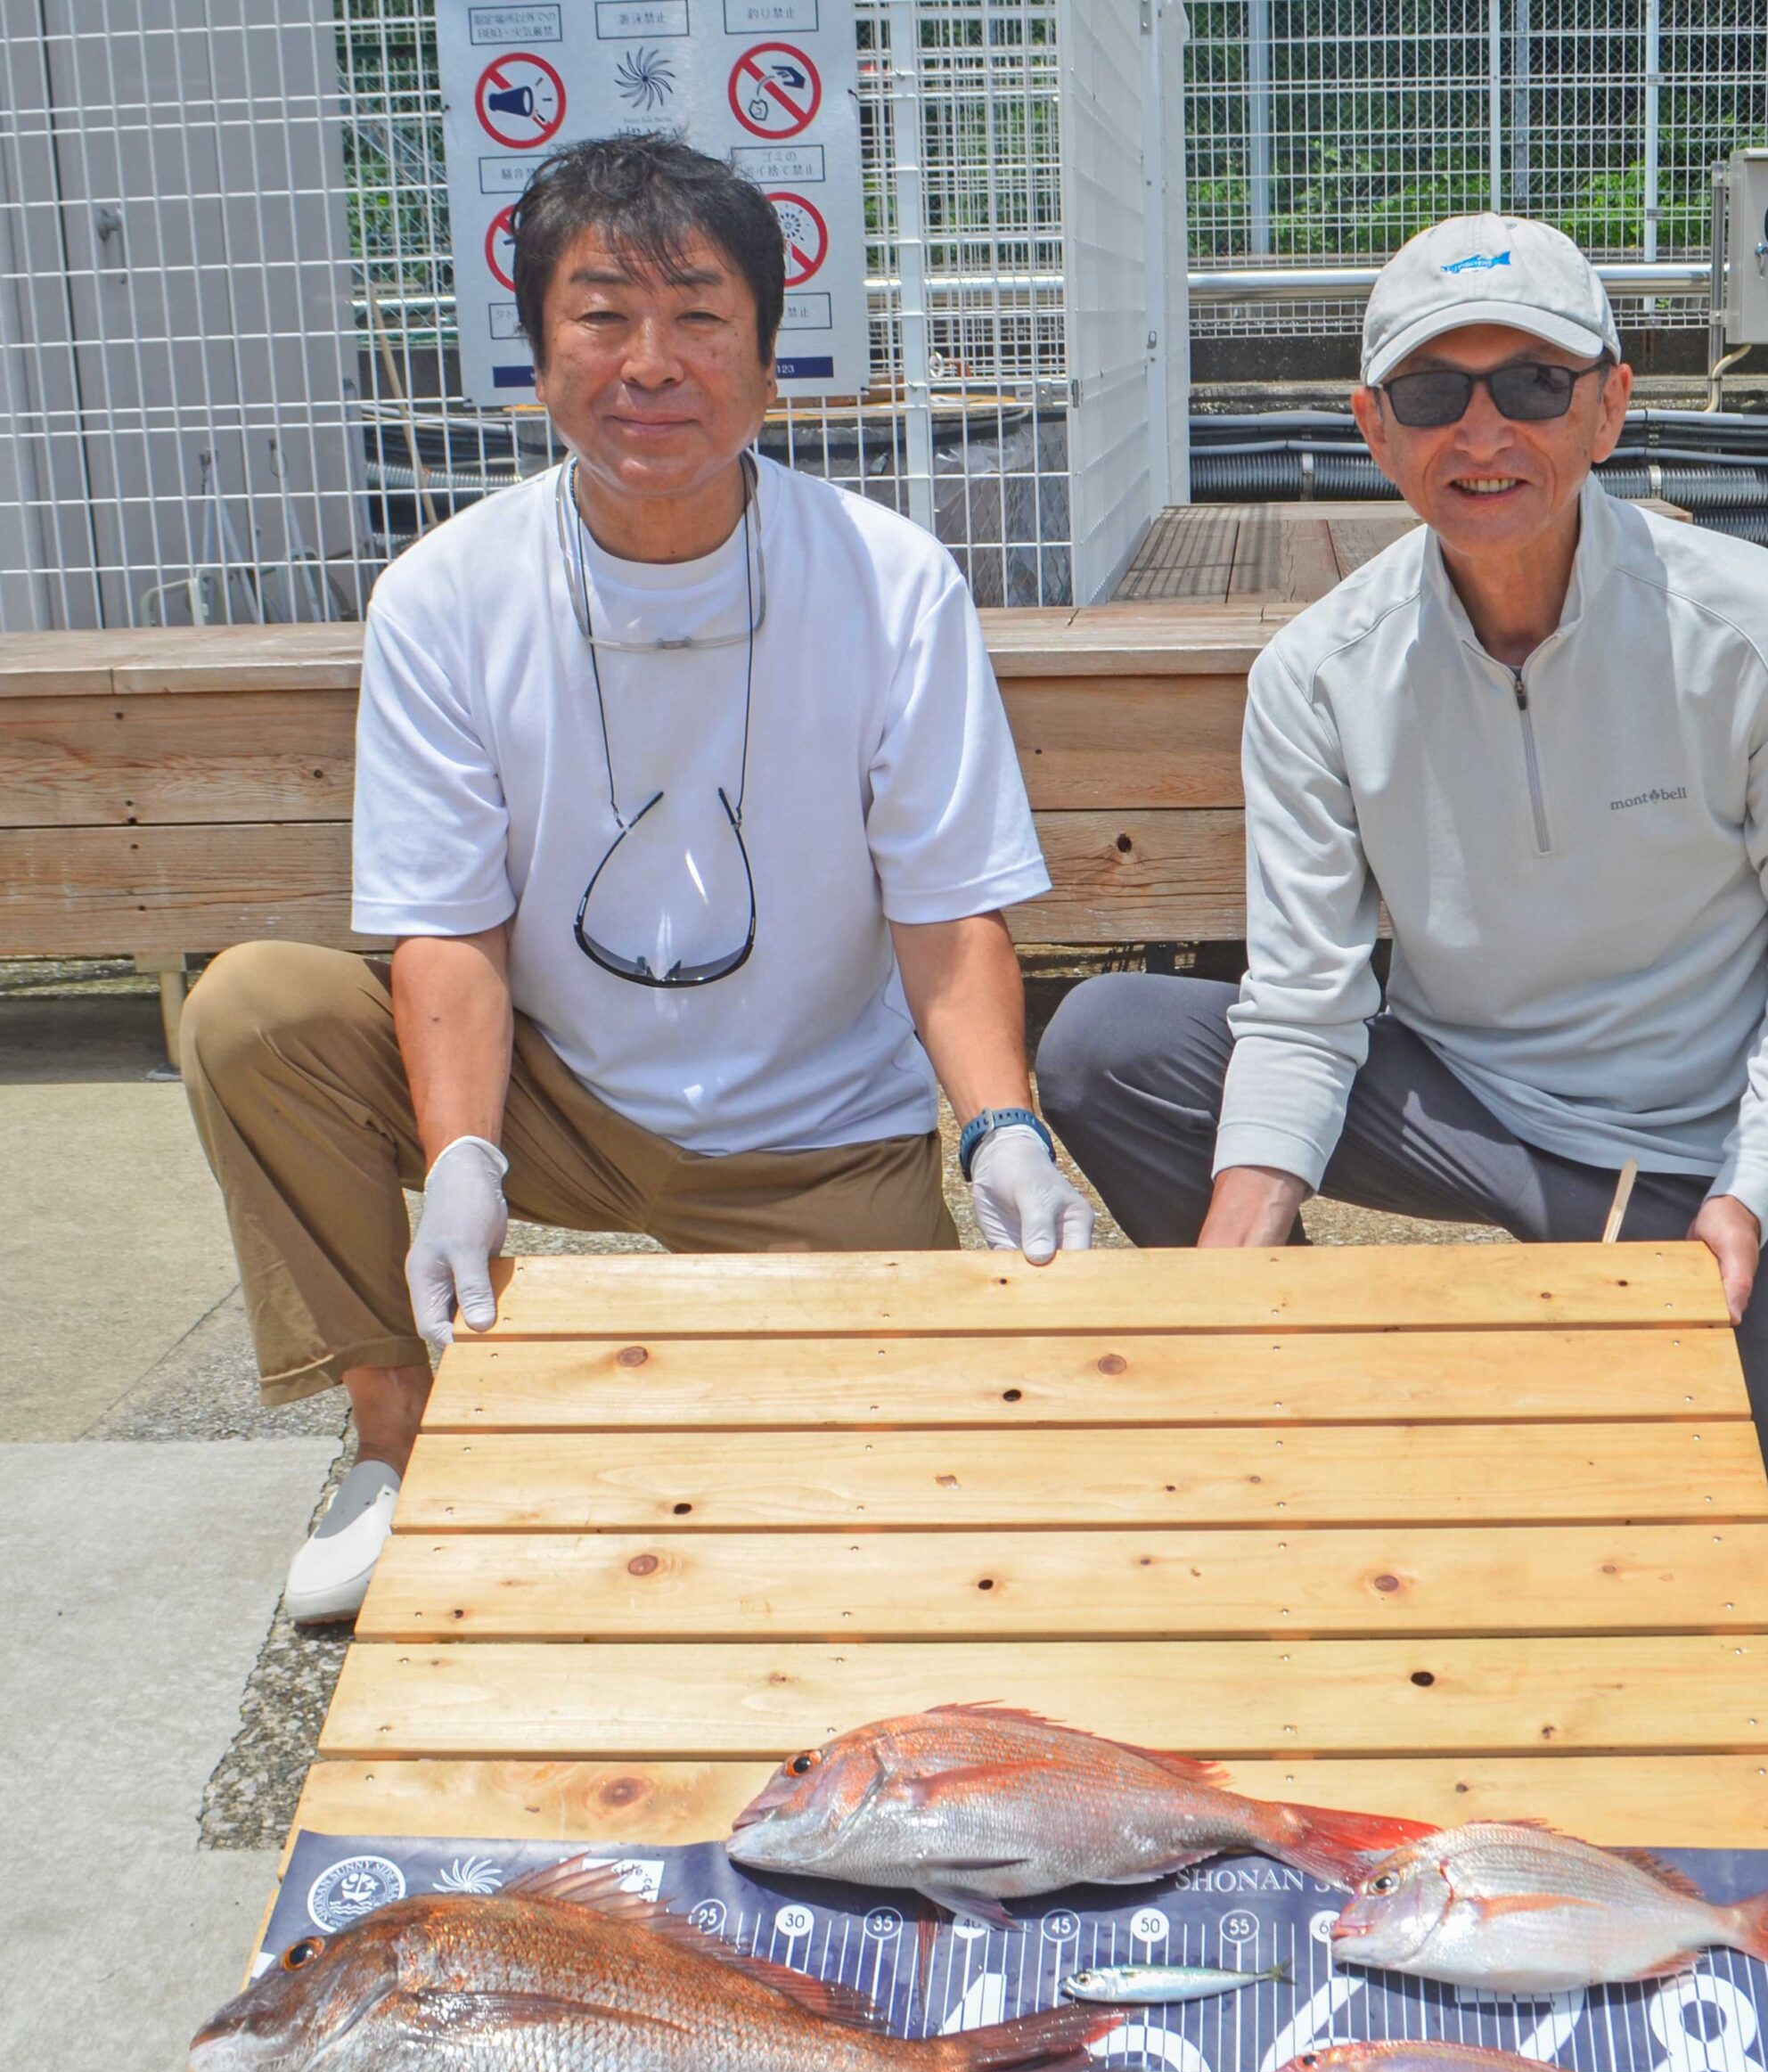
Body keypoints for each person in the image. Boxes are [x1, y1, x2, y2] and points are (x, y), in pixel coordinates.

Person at [183, 136, 1090, 1623]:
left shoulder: (888, 576)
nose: (650, 362)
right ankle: (397, 1443)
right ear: (538, 353)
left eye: (699, 314)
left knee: (907, 1511)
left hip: (815, 1138)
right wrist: (464, 1154)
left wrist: (1000, 1125)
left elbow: (944, 902)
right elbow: (449, 922)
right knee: (256, 1011)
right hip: (559, 1098)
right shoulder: (446, 593)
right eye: (603, 314)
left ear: (770, 356)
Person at [1036, 213, 1768, 1651]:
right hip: (1452, 1106)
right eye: (1435, 394)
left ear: (1611, 405)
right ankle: (1314, 1389)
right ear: (1374, 429)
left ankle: (1756, 1315)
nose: (1484, 429)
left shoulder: (1765, 627)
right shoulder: (1320, 672)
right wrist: (1225, 1287)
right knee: (1107, 1042)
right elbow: (1308, 1000)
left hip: (1682, 1158)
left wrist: (1748, 1197)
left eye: (1532, 384)